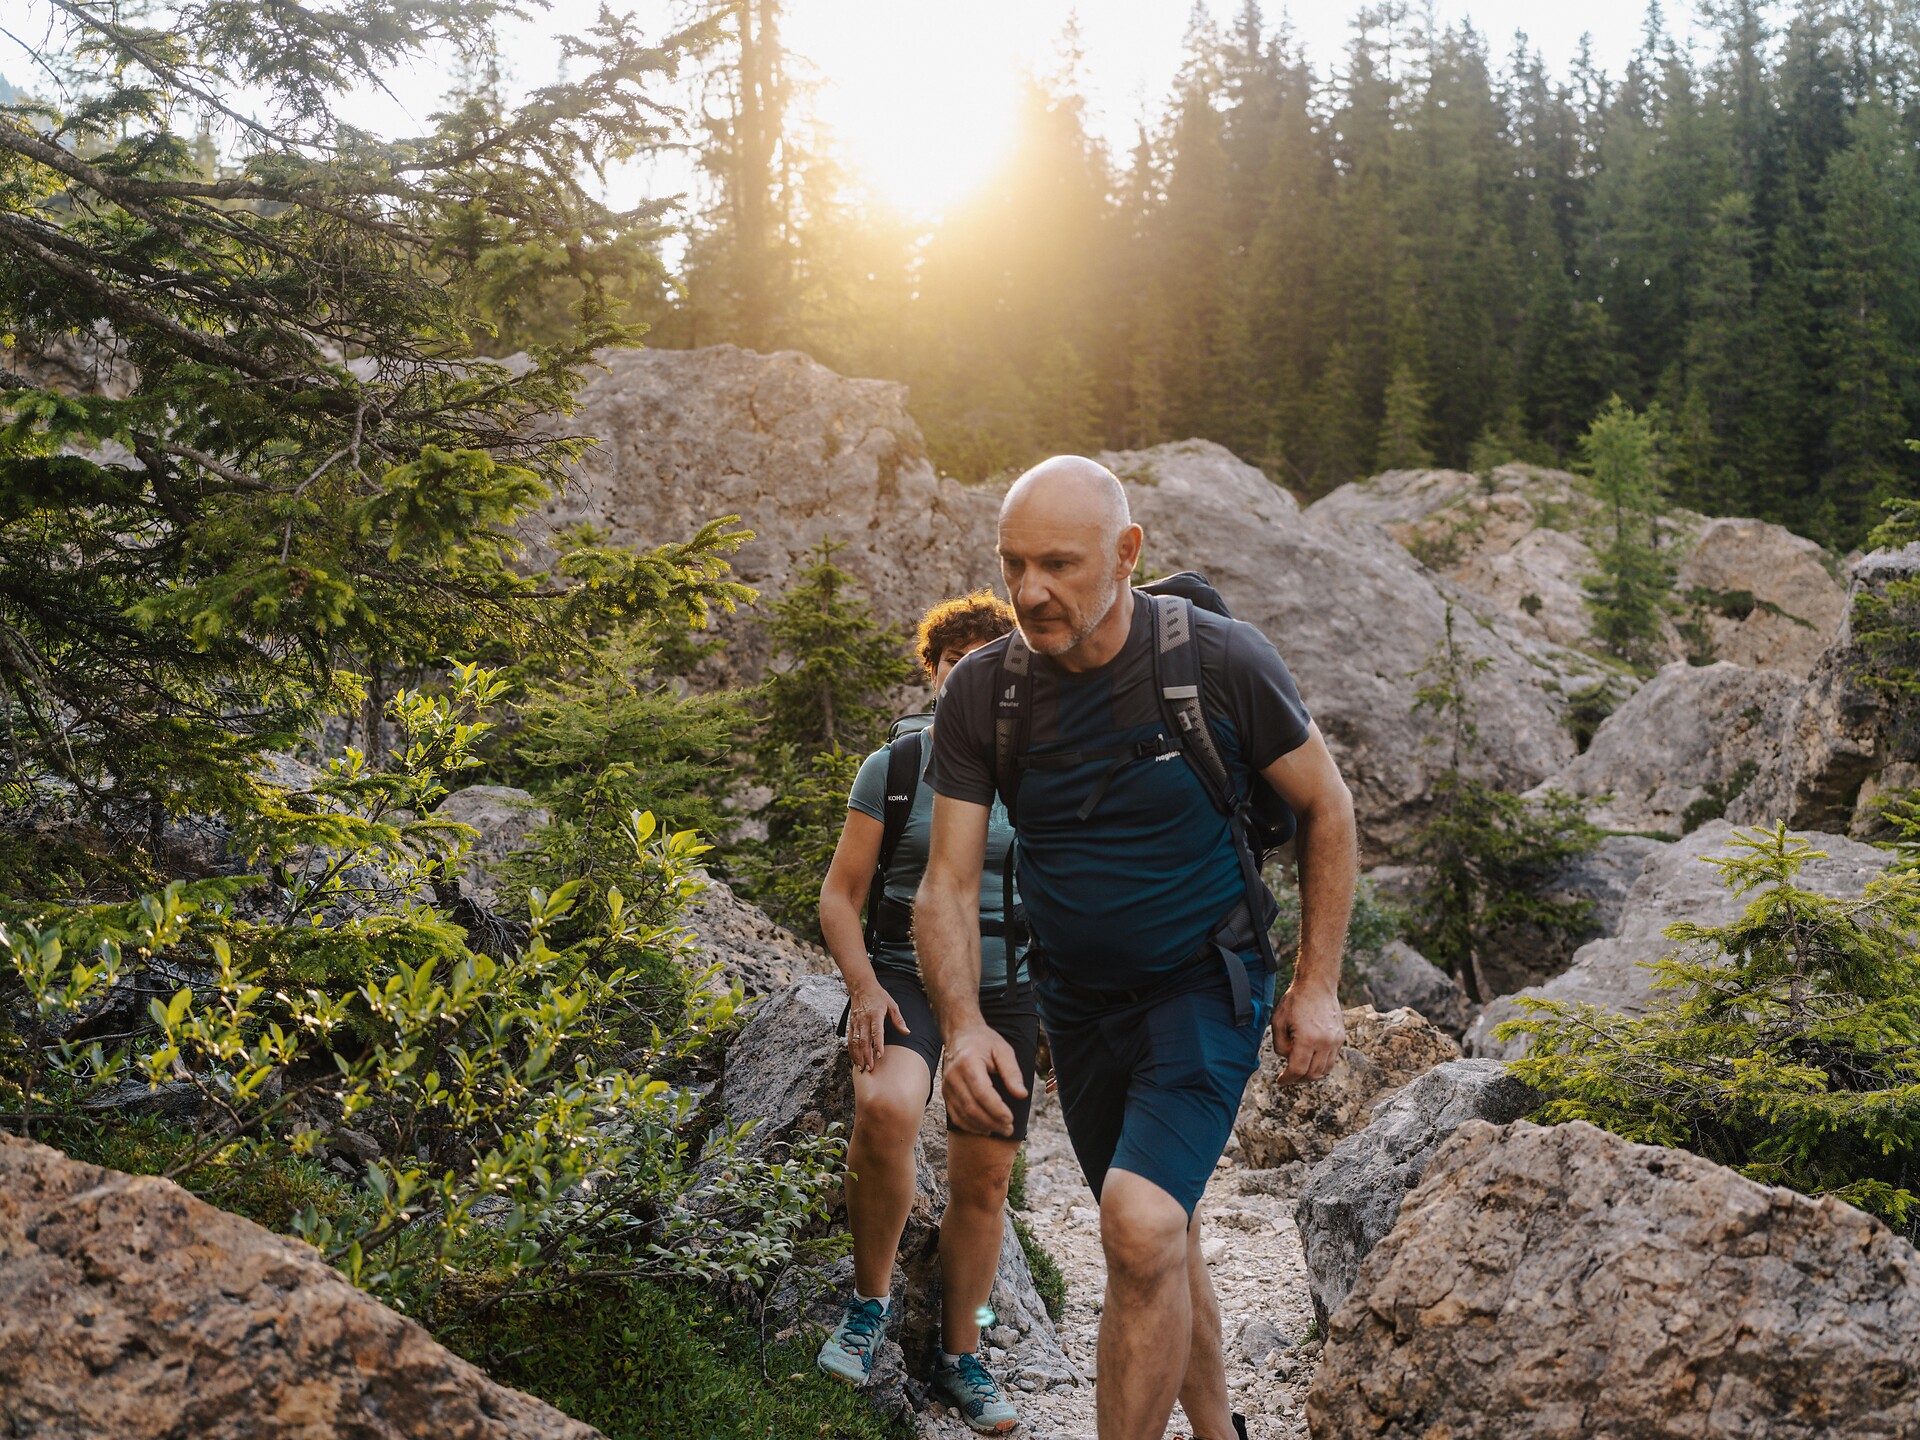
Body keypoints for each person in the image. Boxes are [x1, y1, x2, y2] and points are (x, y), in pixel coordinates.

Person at [916, 456, 1358, 1440]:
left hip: (1206, 982)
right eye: (1014, 564)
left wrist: (1316, 982)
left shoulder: (1219, 661)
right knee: (1160, 1233)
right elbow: (945, 881)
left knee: (1141, 1222)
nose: (1030, 590)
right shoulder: (984, 693)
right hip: (1076, 1002)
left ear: (1126, 554)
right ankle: (1220, 1430)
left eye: (1060, 565)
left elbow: (1327, 806)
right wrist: (962, 1025)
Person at [813, 591, 1037, 1436]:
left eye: (990, 663)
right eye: (955, 664)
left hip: (1005, 987)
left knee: (985, 1177)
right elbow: (841, 896)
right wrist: (864, 987)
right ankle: (868, 1307)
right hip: (905, 975)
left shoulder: (1037, 770)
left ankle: (965, 1354)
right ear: (935, 673)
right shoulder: (895, 768)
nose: (971, 677)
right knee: (887, 1107)